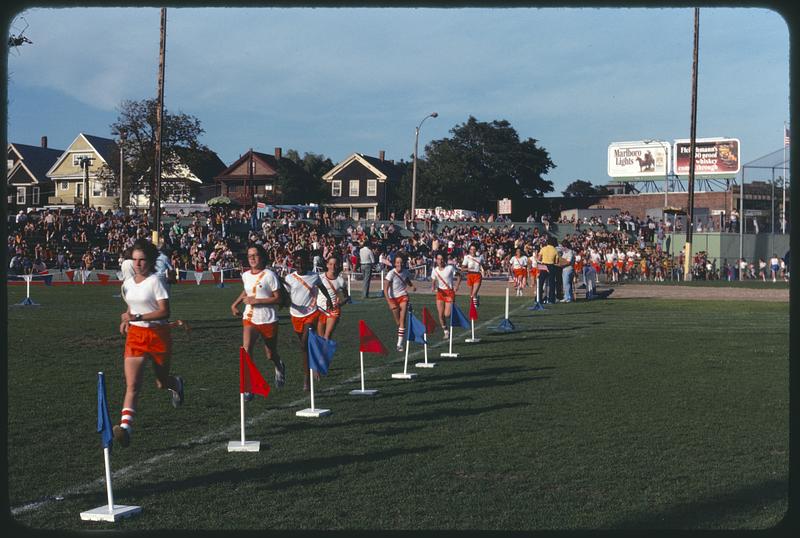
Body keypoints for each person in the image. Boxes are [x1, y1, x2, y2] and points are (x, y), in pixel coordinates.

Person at [113, 238, 184, 448]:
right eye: (134, 260)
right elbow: (130, 307)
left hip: (158, 334)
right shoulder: (127, 284)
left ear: (151, 261)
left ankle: (176, 384)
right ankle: (125, 428)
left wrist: (137, 318)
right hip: (135, 336)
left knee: (161, 382)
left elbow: (165, 311)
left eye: (142, 260)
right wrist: (126, 319)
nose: (137, 264)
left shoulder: (156, 281)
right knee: (132, 385)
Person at [230, 245, 286, 396]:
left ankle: (279, 365)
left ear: (262, 256)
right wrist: (235, 304)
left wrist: (257, 301)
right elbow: (247, 291)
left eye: (255, 255)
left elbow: (279, 298)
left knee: (270, 354)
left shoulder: (270, 275)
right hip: (250, 318)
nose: (252, 258)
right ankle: (249, 386)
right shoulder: (246, 275)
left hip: (268, 319)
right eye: (250, 256)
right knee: (246, 350)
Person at [283, 250, 333, 391]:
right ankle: (309, 371)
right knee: (304, 347)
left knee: (305, 342)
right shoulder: (289, 278)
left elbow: (322, 288)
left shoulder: (314, 276)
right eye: (297, 262)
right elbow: (286, 296)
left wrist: (328, 299)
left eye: (302, 262)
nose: (300, 265)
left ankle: (307, 379)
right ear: (294, 263)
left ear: (307, 263)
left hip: (311, 313)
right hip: (295, 315)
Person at [384, 252, 417, 351]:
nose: (399, 264)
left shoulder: (405, 272)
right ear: (394, 263)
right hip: (392, 298)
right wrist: (389, 302)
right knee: (398, 322)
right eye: (397, 262)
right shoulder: (391, 274)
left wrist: (412, 286)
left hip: (403, 296)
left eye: (401, 262)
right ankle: (401, 329)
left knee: (402, 321)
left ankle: (399, 344)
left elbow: (406, 280)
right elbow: (385, 289)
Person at [316, 256, 349, 339]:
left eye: (335, 264)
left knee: (327, 336)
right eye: (330, 264)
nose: (333, 267)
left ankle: (326, 350)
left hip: (333, 310)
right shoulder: (320, 278)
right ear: (327, 265)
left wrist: (340, 304)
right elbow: (313, 293)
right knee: (320, 337)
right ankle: (323, 352)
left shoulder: (340, 280)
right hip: (320, 309)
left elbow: (346, 297)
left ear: (338, 265)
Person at [431, 252, 462, 339]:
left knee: (447, 314)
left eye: (441, 259)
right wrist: (433, 287)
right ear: (436, 260)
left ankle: (455, 314)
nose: (440, 261)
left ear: (444, 259)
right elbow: (433, 279)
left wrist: (457, 286)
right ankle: (446, 331)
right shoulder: (435, 270)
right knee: (440, 315)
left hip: (449, 292)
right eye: (438, 259)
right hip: (440, 293)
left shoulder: (450, 268)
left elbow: (459, 276)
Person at [461, 243, 485, 308]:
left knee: (473, 294)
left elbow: (484, 266)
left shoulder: (480, 257)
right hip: (469, 275)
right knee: (471, 294)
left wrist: (485, 270)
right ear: (469, 250)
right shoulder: (467, 257)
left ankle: (475, 307)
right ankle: (476, 298)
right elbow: (462, 268)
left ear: (476, 250)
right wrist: (468, 268)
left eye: (474, 249)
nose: (472, 251)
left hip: (477, 275)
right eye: (471, 249)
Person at [537, 236, 560, 304]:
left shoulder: (543, 248)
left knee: (541, 283)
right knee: (552, 283)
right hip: (551, 266)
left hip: (543, 265)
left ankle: (539, 299)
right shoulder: (555, 250)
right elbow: (556, 261)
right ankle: (551, 299)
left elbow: (539, 258)